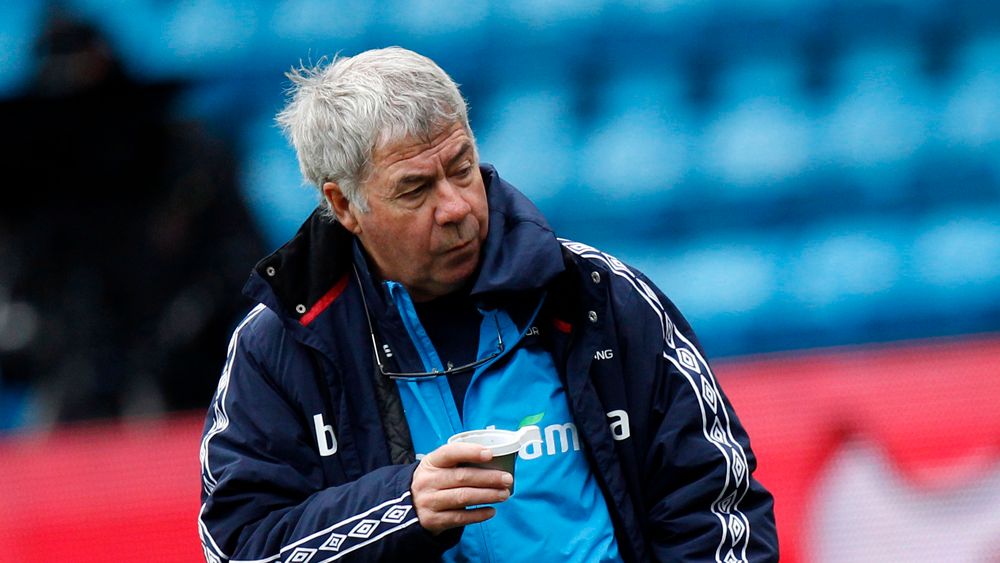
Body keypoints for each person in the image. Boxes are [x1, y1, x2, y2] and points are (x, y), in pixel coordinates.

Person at [198, 46, 778, 562]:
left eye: (461, 168)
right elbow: (240, 548)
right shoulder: (279, 346)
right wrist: (402, 507)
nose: (455, 207)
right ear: (345, 205)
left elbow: (717, 504)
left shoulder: (597, 294)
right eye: (415, 189)